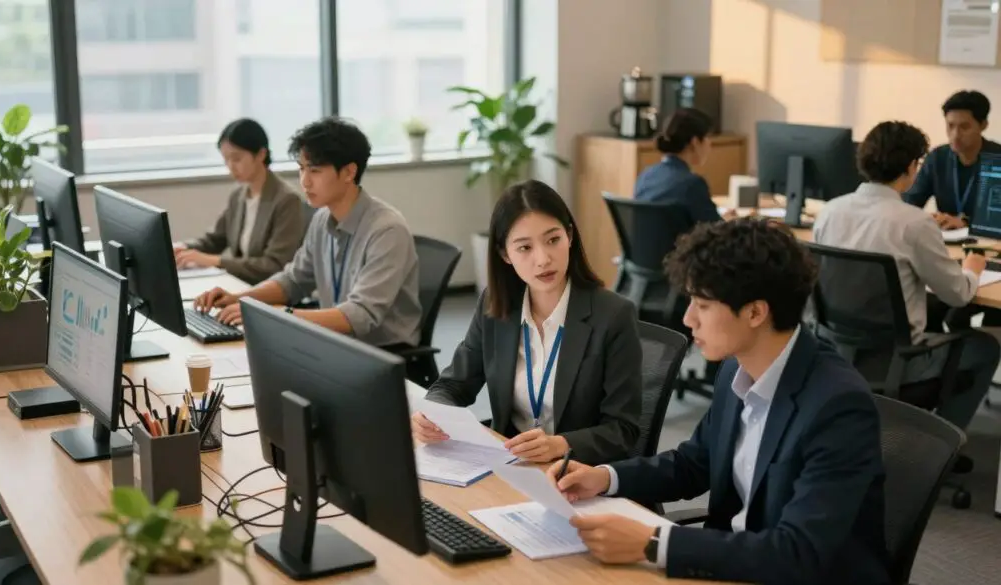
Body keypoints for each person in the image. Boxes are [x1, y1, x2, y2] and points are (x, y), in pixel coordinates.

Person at [546, 218, 890, 585]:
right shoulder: (735, 370)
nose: (687, 318)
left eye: (703, 304)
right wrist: (605, 477)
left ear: (756, 312)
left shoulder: (837, 407)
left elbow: (798, 553)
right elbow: (694, 464)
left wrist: (654, 543)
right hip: (731, 566)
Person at [411, 180, 642, 465]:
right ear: (505, 254)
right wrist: (433, 413)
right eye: (524, 248)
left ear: (569, 236)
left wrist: (559, 445)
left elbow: (624, 430)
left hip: (577, 472)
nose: (543, 259)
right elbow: (452, 385)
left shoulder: (613, 315)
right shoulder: (495, 306)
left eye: (553, 240)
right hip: (511, 464)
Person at [815, 120, 998, 439]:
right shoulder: (913, 224)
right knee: (984, 347)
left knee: (932, 310)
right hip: (896, 363)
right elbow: (958, 294)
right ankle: (941, 449)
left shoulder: (830, 212)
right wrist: (972, 266)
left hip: (837, 353)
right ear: (913, 167)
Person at [193, 117, 422, 348]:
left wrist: (283, 315)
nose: (304, 181)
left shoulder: (386, 230)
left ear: (349, 172)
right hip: (335, 344)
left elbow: (360, 315)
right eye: (301, 169)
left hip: (382, 355)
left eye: (315, 171)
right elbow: (293, 280)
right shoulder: (322, 219)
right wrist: (239, 299)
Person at [174, 119, 307, 284]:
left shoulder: (287, 200)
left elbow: (274, 265)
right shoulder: (239, 195)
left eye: (236, 159)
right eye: (226, 159)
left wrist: (215, 261)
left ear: (261, 154)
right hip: (241, 286)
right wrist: (181, 248)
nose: (230, 166)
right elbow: (214, 240)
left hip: (269, 292)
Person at [903, 90, 1001, 228]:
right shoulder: (937, 158)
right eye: (950, 126)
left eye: (964, 127)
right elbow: (910, 201)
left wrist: (966, 223)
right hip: (945, 240)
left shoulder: (997, 158)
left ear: (983, 125)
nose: (955, 135)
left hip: (988, 243)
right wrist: (925, 218)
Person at [633, 108, 736, 223]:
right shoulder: (693, 184)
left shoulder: (645, 176)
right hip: (683, 241)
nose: (710, 144)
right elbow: (715, 231)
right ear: (695, 142)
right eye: (707, 138)